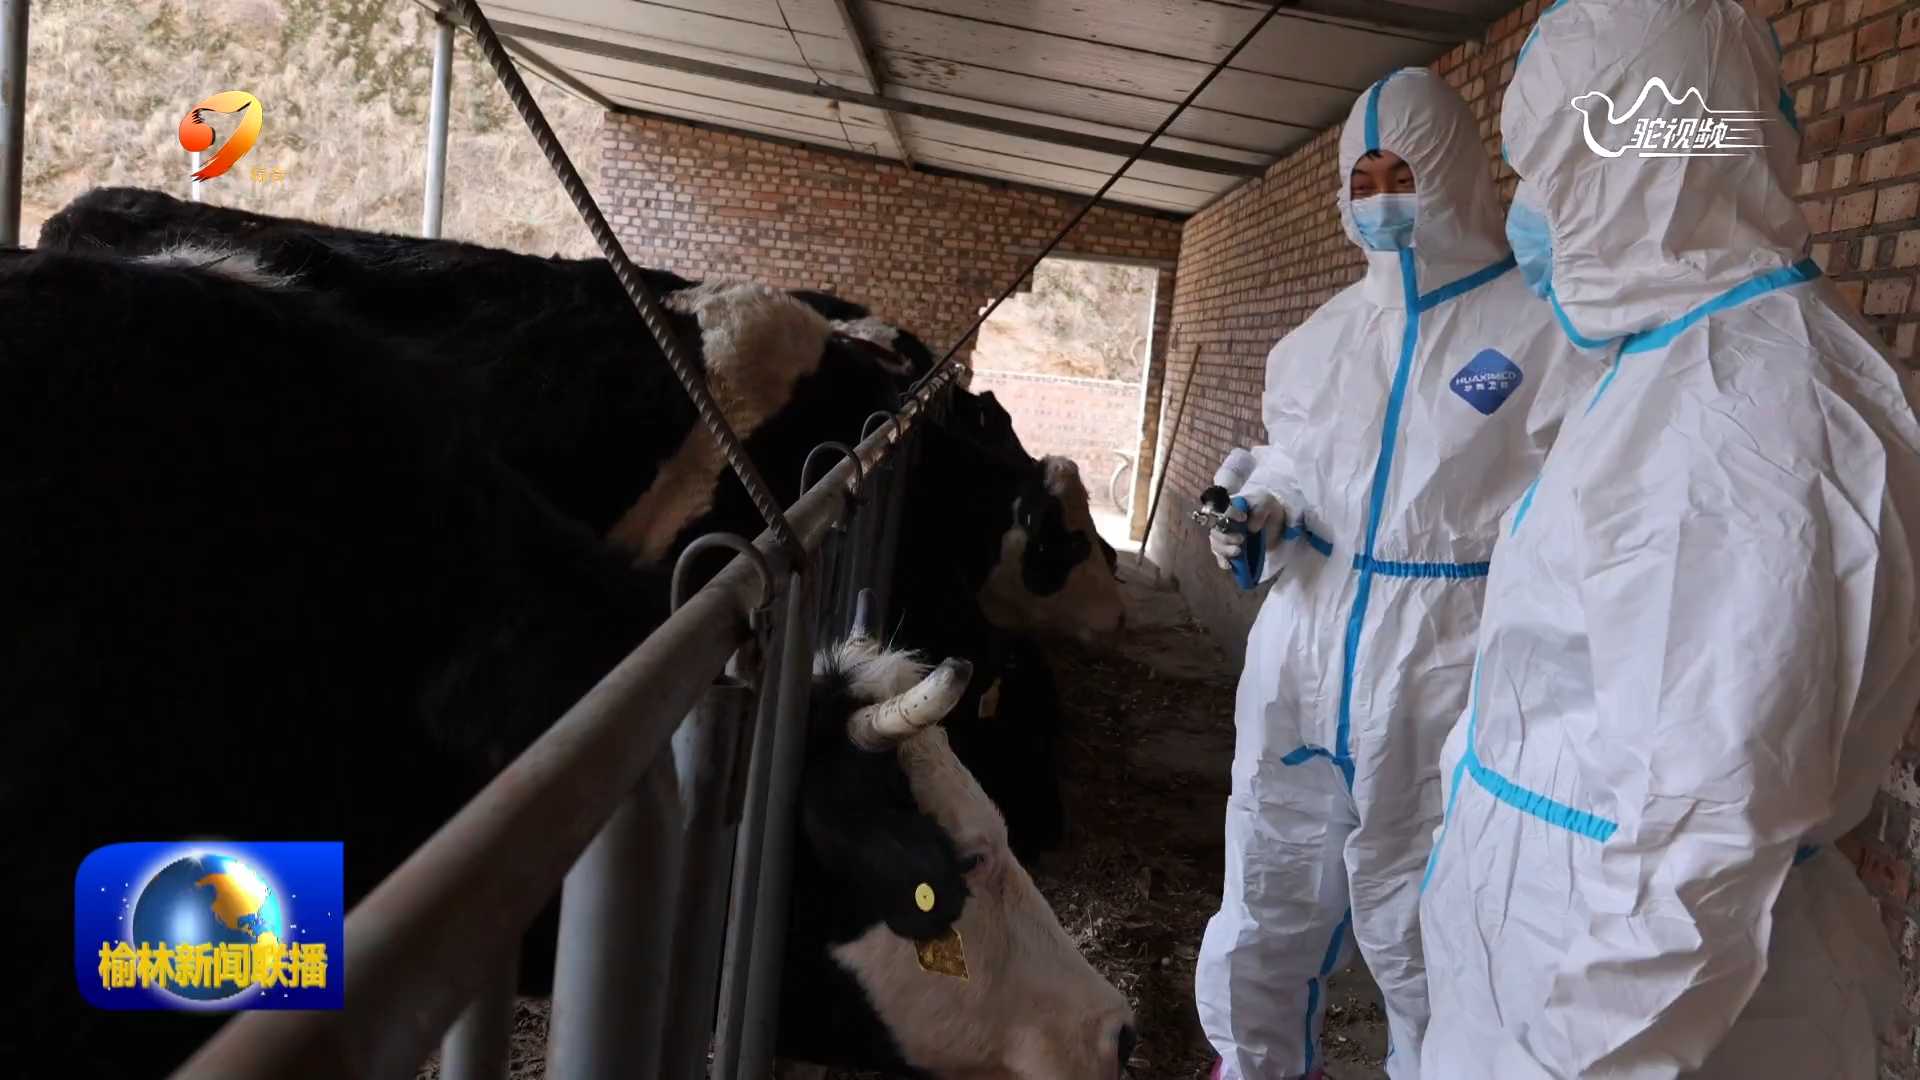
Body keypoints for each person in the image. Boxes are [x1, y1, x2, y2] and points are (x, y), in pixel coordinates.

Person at [1416, 1, 1920, 1077]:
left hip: (1625, 1009)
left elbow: (1707, 835)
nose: (1527, 213)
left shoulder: (1748, 414)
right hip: (1554, 941)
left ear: (1632, 161)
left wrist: (1565, 1061)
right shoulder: (1677, 362)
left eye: (1546, 171)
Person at [1194, 67, 1600, 1080]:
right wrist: (1261, 512)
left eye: (1403, 174)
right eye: (1363, 180)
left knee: (1427, 926)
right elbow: (1293, 464)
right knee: (1265, 892)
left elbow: (1582, 488)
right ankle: (1250, 1066)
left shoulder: (1540, 322)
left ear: (1455, 172)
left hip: (1445, 661)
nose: (1381, 199)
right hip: (1302, 645)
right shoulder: (1318, 342)